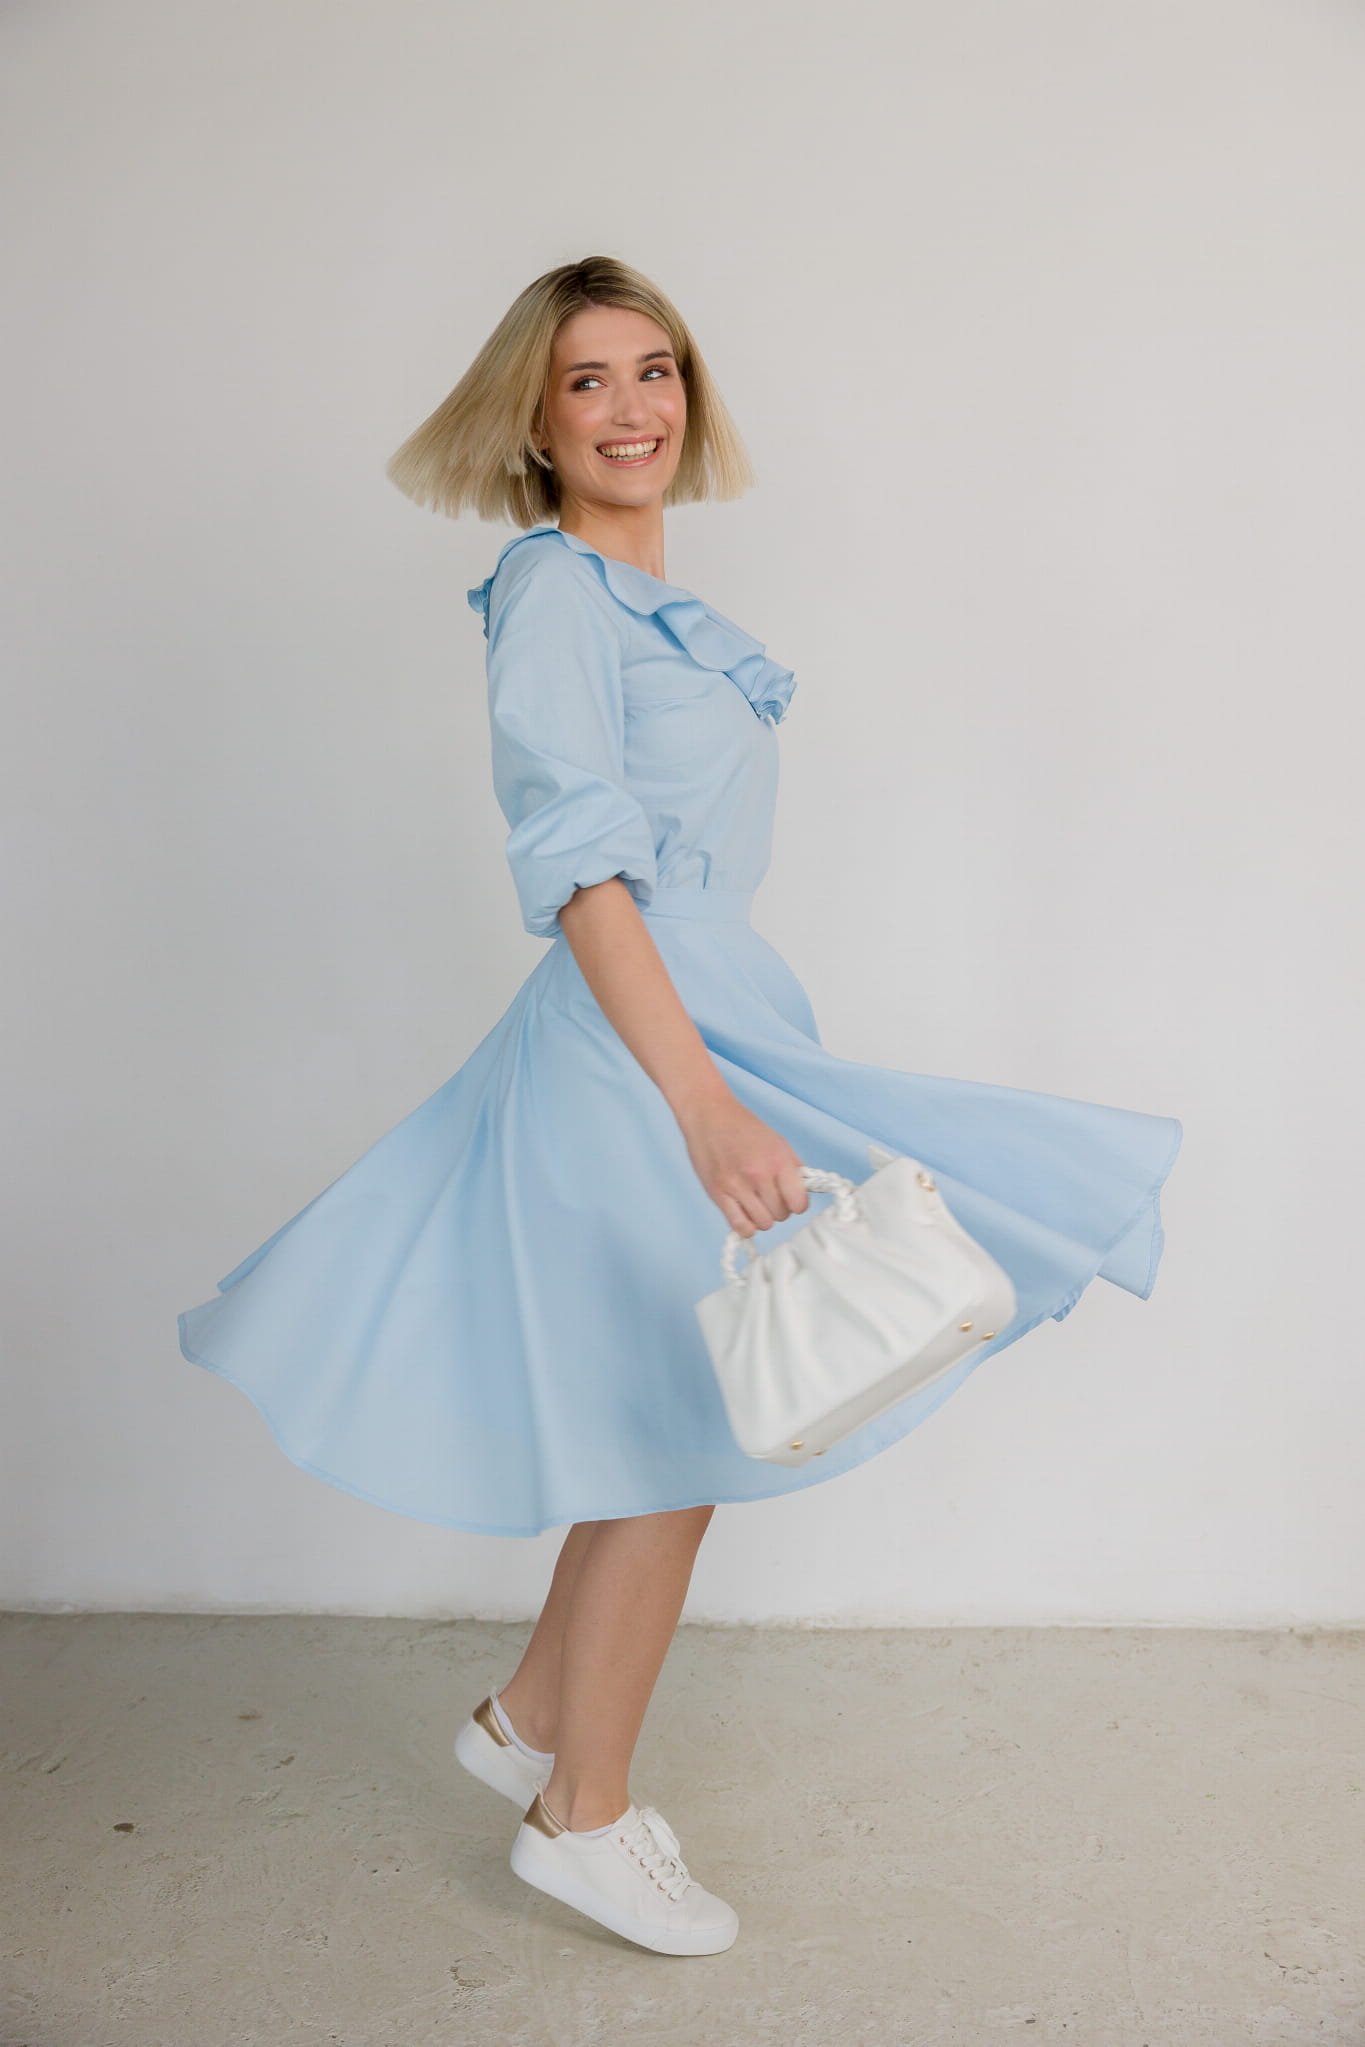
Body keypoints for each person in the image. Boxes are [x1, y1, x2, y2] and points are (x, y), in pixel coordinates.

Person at [177, 255, 1182, 1957]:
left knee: (655, 1409)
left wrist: (723, 1062)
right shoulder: (555, 590)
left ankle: (526, 1720)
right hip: (636, 1036)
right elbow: (584, 871)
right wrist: (700, 1101)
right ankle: (581, 1820)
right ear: (533, 420)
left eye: (655, 370)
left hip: (704, 1011)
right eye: (587, 381)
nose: (631, 406)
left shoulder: (641, 594)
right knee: (676, 1426)